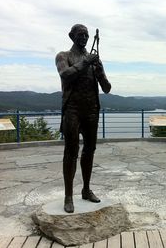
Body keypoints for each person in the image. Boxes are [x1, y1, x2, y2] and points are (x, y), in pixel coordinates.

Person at [55, 24, 111, 213]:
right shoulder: (63, 56)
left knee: (90, 150)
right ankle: (68, 196)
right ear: (71, 36)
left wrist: (100, 71)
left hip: (91, 110)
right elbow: (66, 74)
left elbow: (107, 88)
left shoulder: (94, 60)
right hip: (72, 109)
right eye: (81, 34)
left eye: (87, 35)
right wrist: (86, 62)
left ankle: (86, 190)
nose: (85, 38)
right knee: (71, 152)